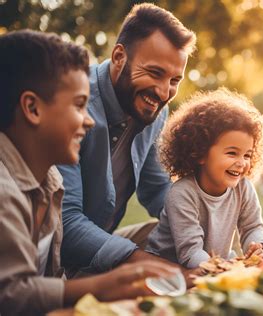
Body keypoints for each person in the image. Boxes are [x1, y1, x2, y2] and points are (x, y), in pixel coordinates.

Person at [0, 30, 178, 316]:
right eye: (79, 106)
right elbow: (10, 296)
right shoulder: (6, 193)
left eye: (174, 80)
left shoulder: (48, 181)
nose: (89, 121)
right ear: (32, 108)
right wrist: (105, 285)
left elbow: (49, 276)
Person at [57, 3, 196, 274]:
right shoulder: (72, 102)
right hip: (54, 258)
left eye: (174, 80)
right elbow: (65, 223)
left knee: (193, 234)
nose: (163, 91)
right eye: (155, 73)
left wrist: (208, 216)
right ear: (119, 57)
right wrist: (144, 264)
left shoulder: (154, 109)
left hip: (103, 246)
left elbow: (157, 189)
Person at [146, 88, 263, 268]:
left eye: (247, 155)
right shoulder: (182, 193)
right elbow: (190, 253)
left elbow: (253, 227)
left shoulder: (243, 187)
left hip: (214, 265)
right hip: (168, 270)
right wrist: (223, 268)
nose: (241, 162)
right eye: (232, 153)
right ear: (200, 153)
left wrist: (257, 246)